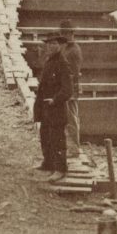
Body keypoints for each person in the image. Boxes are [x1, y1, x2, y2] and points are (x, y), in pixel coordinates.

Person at [33, 34, 73, 182]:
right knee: (45, 136)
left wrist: (54, 100)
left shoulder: (63, 63)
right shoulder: (49, 61)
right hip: (45, 108)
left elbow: (68, 90)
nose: (50, 46)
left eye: (54, 43)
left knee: (57, 140)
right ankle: (48, 163)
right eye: (48, 44)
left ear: (60, 46)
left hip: (56, 109)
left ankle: (60, 169)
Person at [60, 20, 83, 159]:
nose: (64, 35)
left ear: (72, 33)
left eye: (66, 33)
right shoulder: (65, 48)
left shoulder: (74, 50)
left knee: (71, 119)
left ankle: (74, 149)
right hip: (65, 87)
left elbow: (74, 73)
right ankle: (70, 147)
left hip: (71, 89)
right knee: (68, 118)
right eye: (62, 33)